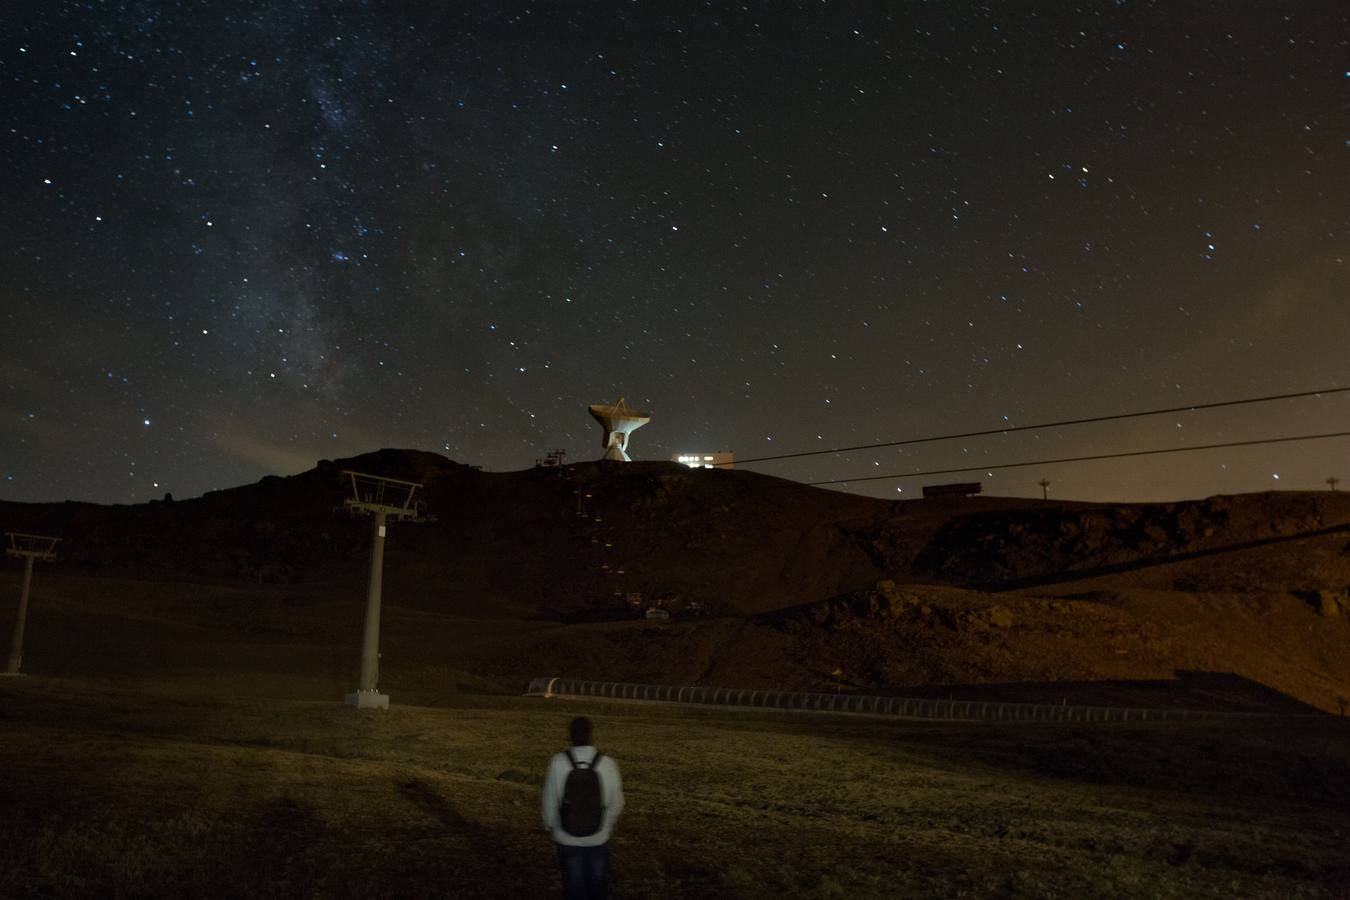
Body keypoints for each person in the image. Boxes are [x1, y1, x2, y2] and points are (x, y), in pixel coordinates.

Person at [541, 716, 625, 900]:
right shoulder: (607, 763)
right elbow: (617, 802)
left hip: (566, 838)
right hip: (598, 837)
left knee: (573, 887)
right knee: (597, 886)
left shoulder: (557, 762)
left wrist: (552, 827)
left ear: (570, 735)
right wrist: (607, 826)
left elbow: (549, 801)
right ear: (591, 735)